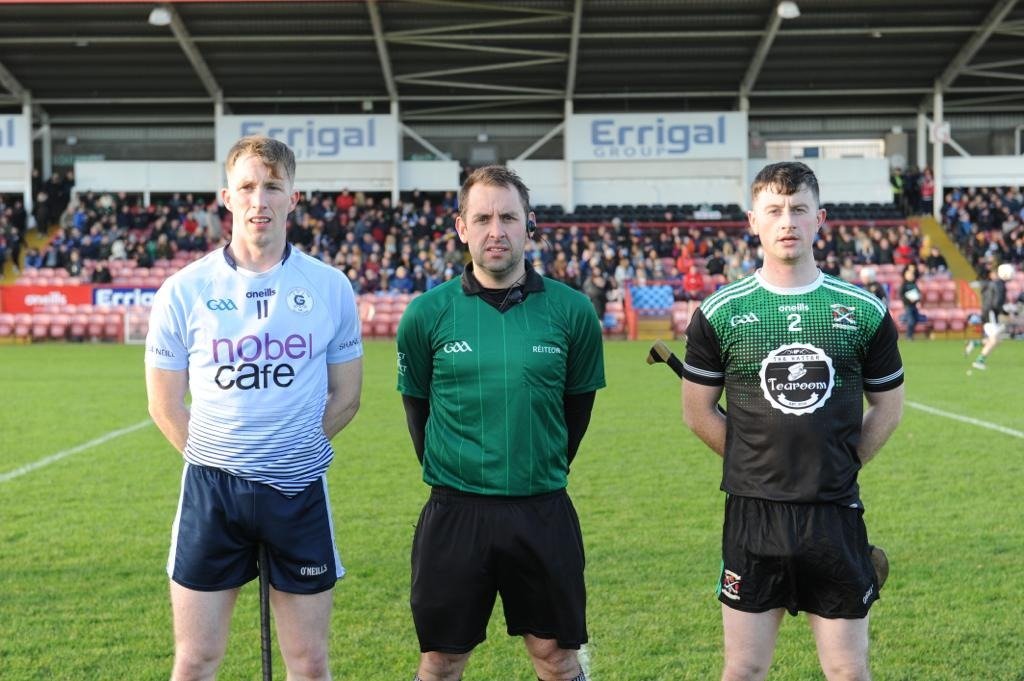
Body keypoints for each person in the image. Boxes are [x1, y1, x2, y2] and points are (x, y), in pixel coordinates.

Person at [145, 135, 363, 681]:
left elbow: (347, 396)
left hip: (297, 489)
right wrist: (226, 462)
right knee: (196, 659)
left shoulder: (331, 287)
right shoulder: (183, 289)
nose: (258, 200)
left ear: (294, 197)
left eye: (272, 186)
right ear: (226, 196)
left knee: (309, 663)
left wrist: (289, 453)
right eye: (246, 186)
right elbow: (165, 405)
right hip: (212, 493)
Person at [681, 161, 905, 681]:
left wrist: (846, 462)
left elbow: (888, 408)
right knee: (744, 668)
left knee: (848, 669)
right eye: (775, 210)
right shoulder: (720, 311)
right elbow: (696, 412)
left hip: (834, 514)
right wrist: (756, 463)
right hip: (753, 516)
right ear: (753, 221)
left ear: (819, 219)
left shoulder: (862, 309)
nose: (787, 221)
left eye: (799, 209)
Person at [396, 165, 605, 681]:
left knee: (556, 658)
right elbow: (417, 412)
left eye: (508, 217)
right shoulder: (426, 314)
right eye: (483, 218)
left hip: (542, 510)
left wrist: (534, 463)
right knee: (441, 661)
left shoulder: (574, 312)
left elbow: (575, 414)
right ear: (462, 227)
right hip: (455, 512)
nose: (497, 230)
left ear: (529, 224)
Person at [966, 263, 1012, 370]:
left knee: (997, 340)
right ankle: (979, 361)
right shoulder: (1000, 285)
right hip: (990, 313)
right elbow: (997, 304)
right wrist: (1005, 312)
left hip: (987, 312)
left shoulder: (994, 283)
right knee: (995, 340)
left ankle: (975, 343)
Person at [899, 264, 924, 340]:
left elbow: (918, 293)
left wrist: (917, 300)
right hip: (908, 305)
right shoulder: (904, 284)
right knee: (911, 321)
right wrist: (908, 300)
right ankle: (909, 336)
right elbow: (901, 295)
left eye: (912, 275)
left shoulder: (914, 284)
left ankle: (911, 335)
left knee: (915, 319)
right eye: (909, 275)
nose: (911, 277)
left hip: (914, 305)